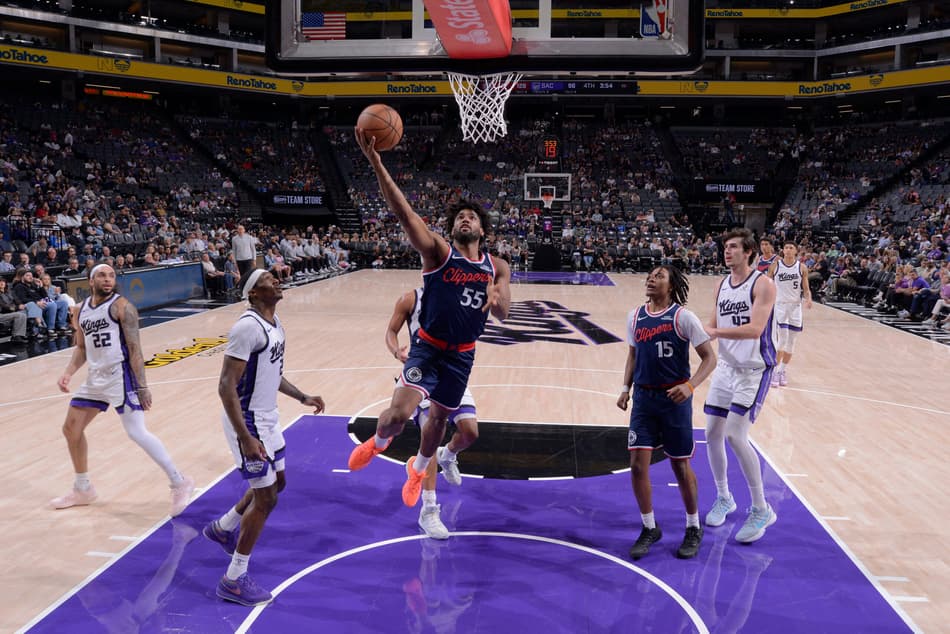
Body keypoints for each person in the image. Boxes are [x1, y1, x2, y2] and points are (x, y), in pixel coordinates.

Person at [347, 127, 510, 509]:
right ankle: (379, 441)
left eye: (472, 217)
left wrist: (497, 294)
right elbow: (404, 213)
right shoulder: (439, 253)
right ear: (453, 229)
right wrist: (376, 162)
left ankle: (418, 469)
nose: (465, 220)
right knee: (397, 416)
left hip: (462, 355)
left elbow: (503, 314)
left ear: (483, 230)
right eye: (460, 218)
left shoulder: (497, 265)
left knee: (438, 421)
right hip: (428, 349)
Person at [204, 269, 325, 607]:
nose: (277, 280)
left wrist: (302, 397)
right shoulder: (246, 327)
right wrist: (244, 436)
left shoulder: (274, 323)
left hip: (267, 417)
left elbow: (273, 373)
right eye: (268, 279)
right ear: (253, 293)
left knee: (279, 483)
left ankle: (224, 527)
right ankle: (233, 578)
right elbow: (226, 386)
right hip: (248, 421)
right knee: (267, 497)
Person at [51, 264, 195, 516]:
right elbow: (82, 348)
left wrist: (142, 386)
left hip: (120, 375)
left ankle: (179, 481)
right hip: (95, 378)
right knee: (71, 429)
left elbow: (135, 348)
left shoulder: (122, 307)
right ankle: (83, 488)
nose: (108, 280)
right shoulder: (80, 310)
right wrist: (68, 372)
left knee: (136, 432)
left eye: (111, 276)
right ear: (90, 280)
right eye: (102, 276)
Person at [617, 265, 716, 560]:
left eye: (659, 276)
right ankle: (650, 527)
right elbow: (633, 354)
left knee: (680, 467)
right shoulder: (635, 316)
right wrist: (625, 388)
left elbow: (710, 358)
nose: (651, 278)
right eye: (649, 275)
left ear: (671, 285)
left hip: (675, 400)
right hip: (644, 400)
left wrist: (690, 386)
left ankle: (693, 526)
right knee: (637, 466)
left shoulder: (683, 317)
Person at [386, 287, 481, 539]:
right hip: (423, 374)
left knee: (470, 433)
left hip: (452, 371)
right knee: (431, 434)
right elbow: (391, 332)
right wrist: (397, 351)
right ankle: (428, 509)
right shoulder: (410, 298)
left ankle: (448, 455)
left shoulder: (460, 296)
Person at [703, 228, 778, 543]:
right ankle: (725, 497)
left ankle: (761, 508)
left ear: (749, 252)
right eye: (725, 247)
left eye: (733, 247)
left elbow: (755, 328)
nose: (727, 251)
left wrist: (716, 333)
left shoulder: (763, 284)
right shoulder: (722, 284)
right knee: (711, 434)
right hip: (726, 368)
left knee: (735, 434)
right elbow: (712, 325)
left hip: (753, 370)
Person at [767, 241, 812, 387]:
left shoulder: (802, 267)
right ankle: (774, 370)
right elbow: (767, 284)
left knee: (792, 342)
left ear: (796, 251)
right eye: (786, 247)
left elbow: (805, 288)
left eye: (791, 247)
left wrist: (809, 299)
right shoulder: (775, 266)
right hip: (780, 305)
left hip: (795, 306)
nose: (787, 249)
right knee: (782, 339)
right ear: (783, 250)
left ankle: (781, 370)